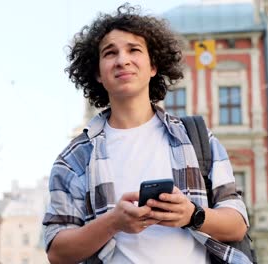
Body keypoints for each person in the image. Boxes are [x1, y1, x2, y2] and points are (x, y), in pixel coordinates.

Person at [42, 4, 250, 264]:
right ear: (97, 73)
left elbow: (238, 224)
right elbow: (57, 252)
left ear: (153, 66)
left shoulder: (196, 138)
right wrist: (113, 222)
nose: (122, 60)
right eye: (110, 53)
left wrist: (192, 214)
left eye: (134, 50)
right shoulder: (73, 159)